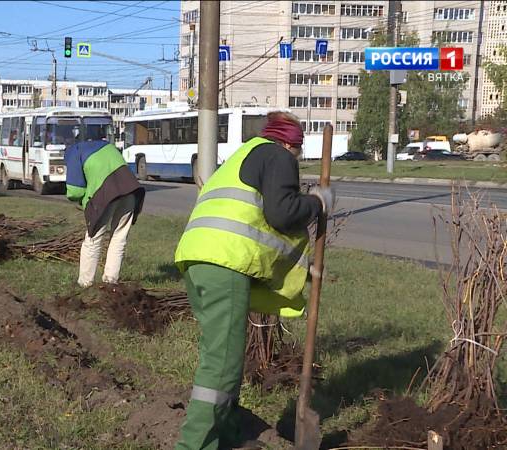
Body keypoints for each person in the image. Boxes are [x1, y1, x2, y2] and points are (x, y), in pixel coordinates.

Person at [173, 111, 335, 450]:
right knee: (222, 365)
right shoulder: (279, 156)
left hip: (198, 260)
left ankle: (227, 433)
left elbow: (258, 220)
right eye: (299, 153)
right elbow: (282, 213)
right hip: (224, 265)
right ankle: (195, 445)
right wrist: (316, 202)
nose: (298, 159)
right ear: (292, 144)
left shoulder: (245, 154)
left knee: (222, 355)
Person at [64, 124, 145, 287]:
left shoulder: (75, 151)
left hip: (106, 195)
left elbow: (75, 191)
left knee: (93, 238)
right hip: (130, 190)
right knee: (119, 237)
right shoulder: (109, 147)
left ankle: (85, 283)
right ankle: (110, 281)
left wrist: (84, 199)